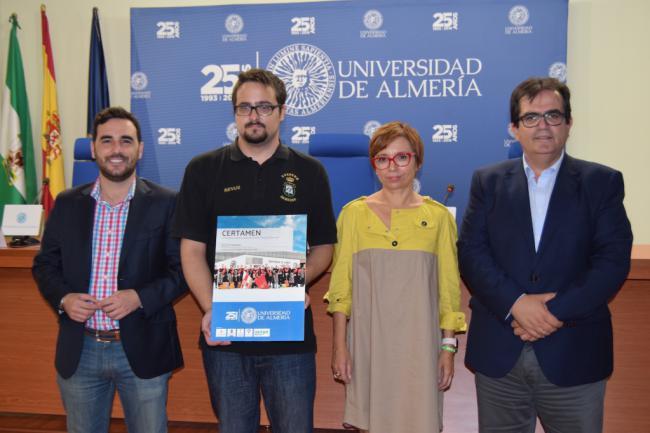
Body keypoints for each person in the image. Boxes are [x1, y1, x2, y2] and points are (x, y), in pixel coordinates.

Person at [457, 77, 633, 433]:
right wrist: (516, 303)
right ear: (514, 128)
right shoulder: (486, 182)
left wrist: (552, 312)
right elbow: (472, 254)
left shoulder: (602, 182)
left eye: (553, 116)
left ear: (568, 124)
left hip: (575, 352)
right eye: (531, 117)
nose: (543, 126)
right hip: (499, 354)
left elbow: (612, 261)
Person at [172, 68, 336, 433]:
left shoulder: (310, 172)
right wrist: (212, 308)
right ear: (234, 113)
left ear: (282, 111)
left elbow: (325, 248)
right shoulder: (202, 170)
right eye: (244, 108)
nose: (254, 116)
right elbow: (192, 252)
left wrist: (294, 283)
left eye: (264, 107)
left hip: (289, 337)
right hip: (226, 335)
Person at [32, 107, 187, 433]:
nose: (116, 150)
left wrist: (139, 298)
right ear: (93, 148)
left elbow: (181, 270)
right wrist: (64, 300)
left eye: (126, 141)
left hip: (143, 348)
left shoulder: (167, 202)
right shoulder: (67, 203)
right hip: (81, 349)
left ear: (140, 149)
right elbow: (45, 264)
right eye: (107, 141)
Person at [325, 121, 467, 433]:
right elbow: (341, 290)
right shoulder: (353, 214)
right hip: (366, 343)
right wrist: (339, 347)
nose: (393, 167)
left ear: (417, 161)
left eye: (402, 157)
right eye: (383, 158)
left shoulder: (439, 218)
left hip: (421, 346)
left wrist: (448, 349)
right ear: (373, 164)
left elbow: (448, 291)